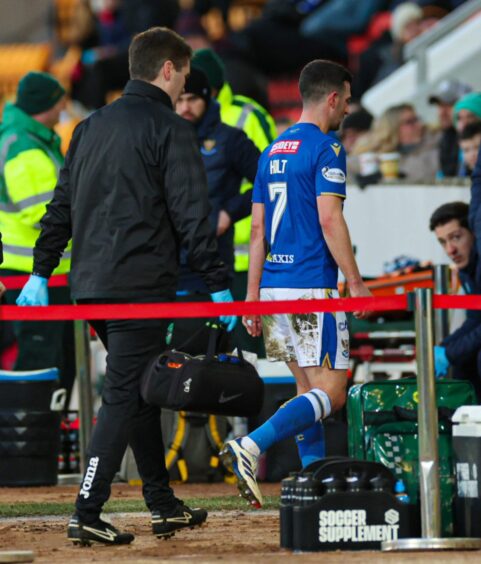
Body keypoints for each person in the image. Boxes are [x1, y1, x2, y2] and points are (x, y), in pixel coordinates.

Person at [16, 27, 236, 546]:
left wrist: (41, 271)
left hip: (90, 285)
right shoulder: (171, 129)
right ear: (167, 70)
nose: (185, 89)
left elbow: (60, 207)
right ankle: (87, 509)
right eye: (183, 77)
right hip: (140, 286)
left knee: (140, 389)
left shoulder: (89, 127)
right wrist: (218, 285)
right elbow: (191, 216)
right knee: (123, 394)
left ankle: (161, 505)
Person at [220, 59, 371, 508]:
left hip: (272, 288)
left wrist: (251, 298)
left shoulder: (272, 149)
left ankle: (311, 485)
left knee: (308, 392)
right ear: (331, 97)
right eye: (345, 99)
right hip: (311, 288)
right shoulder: (327, 148)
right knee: (333, 392)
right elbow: (329, 217)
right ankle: (252, 445)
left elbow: (256, 231)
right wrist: (356, 282)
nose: (347, 108)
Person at [192, 47, 277, 354]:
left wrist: (231, 211)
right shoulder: (181, 119)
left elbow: (272, 178)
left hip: (246, 258)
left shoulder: (247, 115)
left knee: (254, 350)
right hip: (199, 259)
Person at [0, 71, 76, 402]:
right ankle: (29, 445)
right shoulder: (25, 147)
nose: (63, 109)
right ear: (43, 105)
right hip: (32, 276)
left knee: (54, 365)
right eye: (59, 102)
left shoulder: (29, 139)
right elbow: (43, 214)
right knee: (40, 366)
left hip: (42, 274)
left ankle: (44, 442)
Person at [172, 67, 260, 349]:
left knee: (219, 353)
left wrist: (230, 212)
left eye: (192, 99)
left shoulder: (230, 139)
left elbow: (267, 183)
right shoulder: (164, 138)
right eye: (180, 100)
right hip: (169, 266)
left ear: (207, 98)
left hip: (215, 262)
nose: (185, 107)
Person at [430, 202, 481, 399]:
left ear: (474, 232)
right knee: (462, 361)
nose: (450, 250)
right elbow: (475, 318)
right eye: (443, 242)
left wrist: (449, 353)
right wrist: (444, 346)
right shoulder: (468, 271)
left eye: (456, 237)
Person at [428, 78, 472, 177]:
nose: (441, 112)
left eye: (449, 104)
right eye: (439, 105)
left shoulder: (475, 138)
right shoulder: (444, 136)